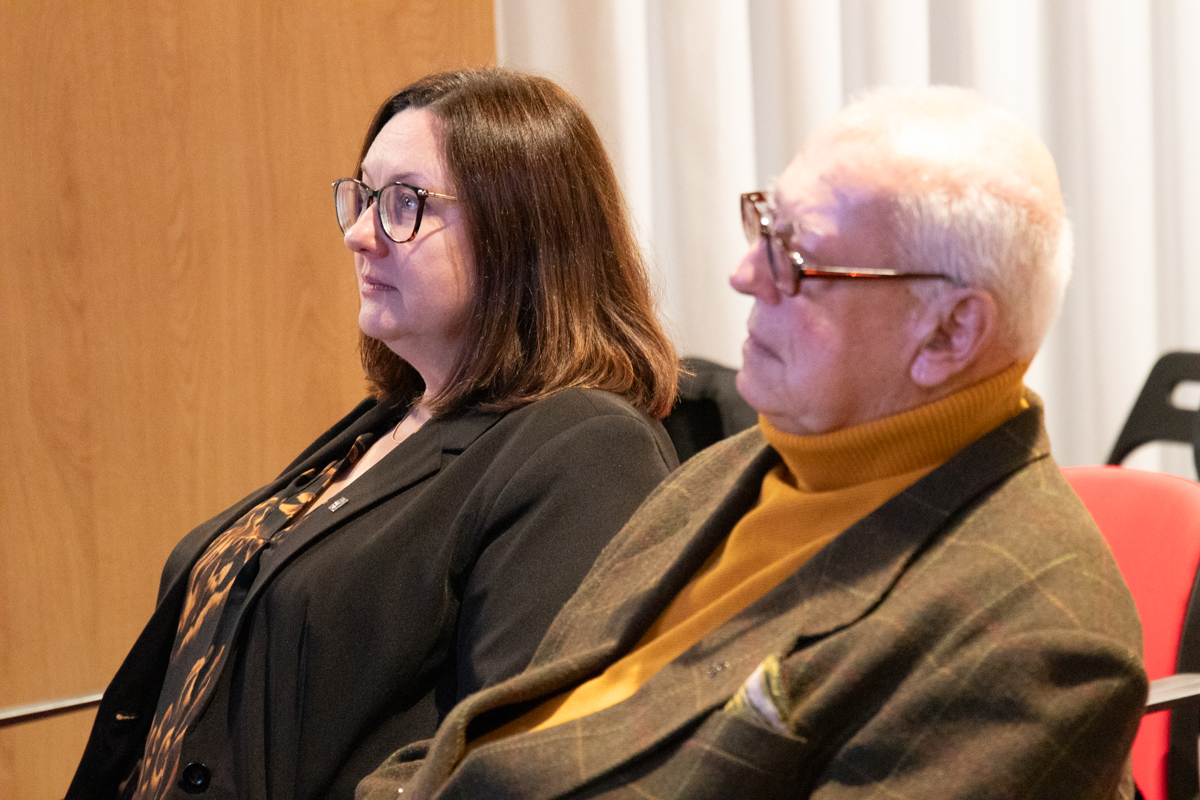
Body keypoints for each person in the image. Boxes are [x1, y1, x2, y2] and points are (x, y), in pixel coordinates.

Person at [358, 86, 1148, 800]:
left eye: (799, 258)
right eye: (765, 224)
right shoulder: (731, 470)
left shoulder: (1037, 643)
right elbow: (528, 730)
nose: (745, 275)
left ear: (948, 332)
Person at [67, 68, 680, 800]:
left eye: (405, 203)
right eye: (363, 197)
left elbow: (518, 761)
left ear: (522, 231)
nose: (360, 235)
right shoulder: (392, 421)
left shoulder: (586, 449)